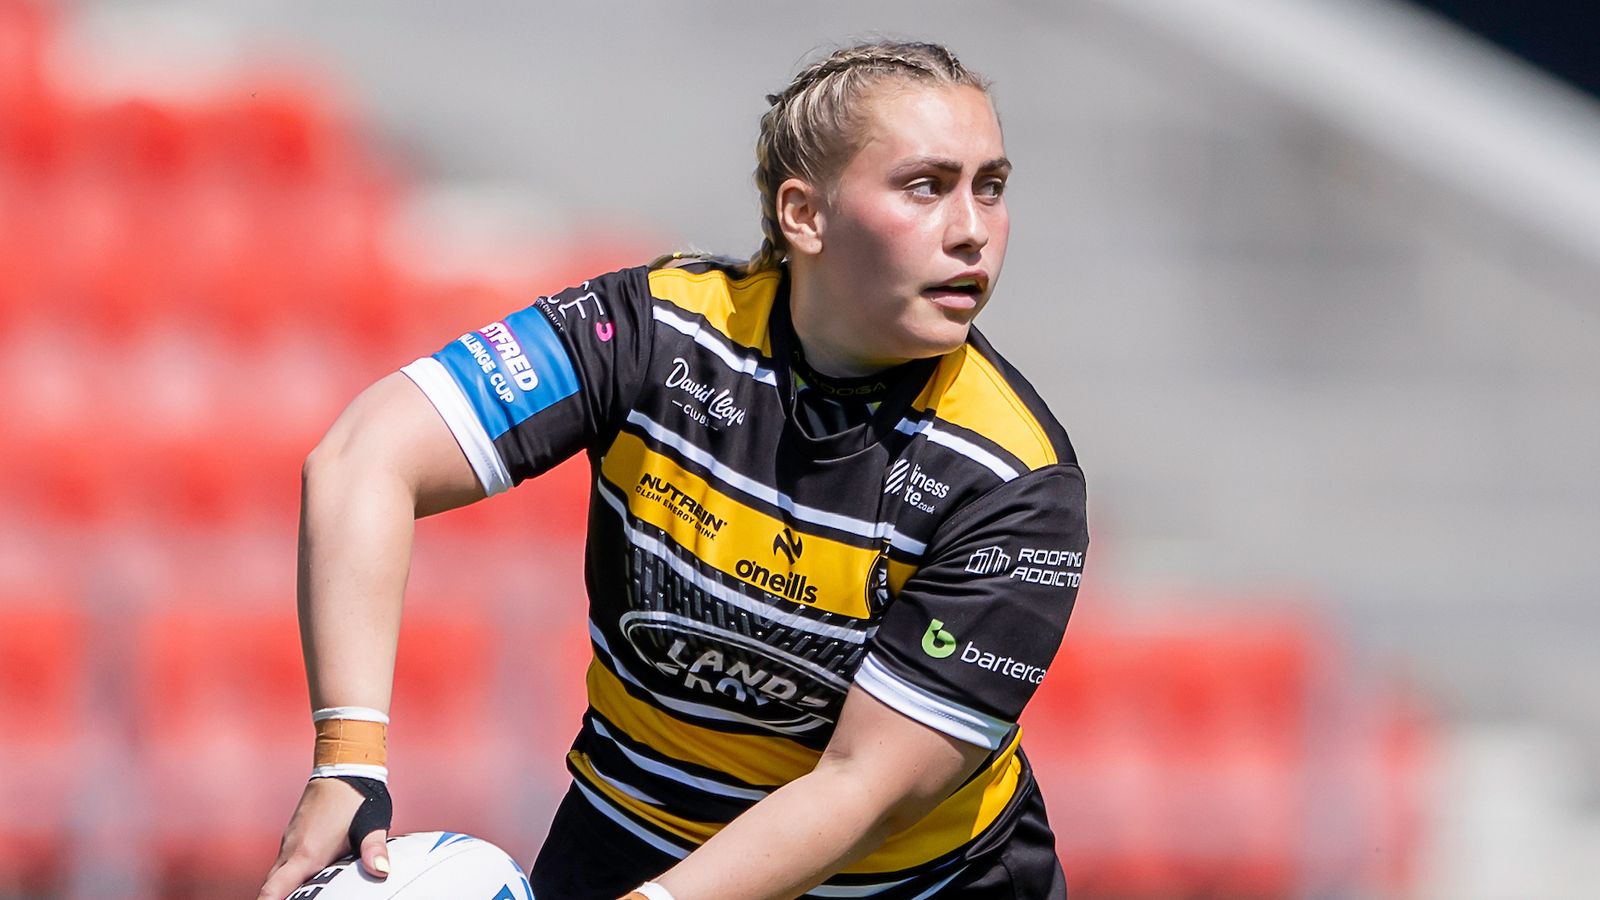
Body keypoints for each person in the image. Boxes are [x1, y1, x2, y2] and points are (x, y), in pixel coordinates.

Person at [258, 40, 1088, 900]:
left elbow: (863, 790)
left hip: (911, 886)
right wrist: (347, 761)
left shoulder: (1015, 478)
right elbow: (365, 455)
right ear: (804, 215)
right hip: (632, 835)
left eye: (990, 187)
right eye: (925, 186)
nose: (972, 229)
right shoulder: (654, 332)